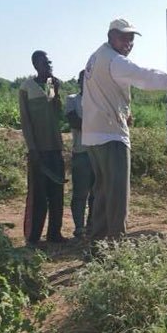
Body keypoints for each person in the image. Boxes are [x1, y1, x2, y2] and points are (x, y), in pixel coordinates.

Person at [82, 18, 167, 241]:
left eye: (131, 38)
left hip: (93, 136)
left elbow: (101, 93)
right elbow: (150, 76)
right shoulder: (116, 62)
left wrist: (122, 110)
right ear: (111, 37)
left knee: (103, 193)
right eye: (123, 37)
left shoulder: (96, 56)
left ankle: (97, 246)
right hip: (111, 136)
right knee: (117, 196)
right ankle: (115, 247)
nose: (128, 43)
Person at [19, 50, 66, 244]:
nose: (49, 65)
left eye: (49, 61)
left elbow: (57, 116)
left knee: (57, 194)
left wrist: (56, 93)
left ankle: (54, 233)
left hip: (55, 147)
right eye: (45, 62)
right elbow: (25, 121)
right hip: (38, 150)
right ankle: (34, 238)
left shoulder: (50, 86)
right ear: (35, 64)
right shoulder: (26, 87)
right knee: (39, 195)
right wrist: (32, 149)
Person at [63, 70, 94, 238]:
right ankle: (79, 228)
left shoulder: (99, 99)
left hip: (97, 154)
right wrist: (97, 124)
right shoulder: (72, 100)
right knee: (80, 194)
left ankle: (91, 226)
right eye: (84, 79)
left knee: (96, 193)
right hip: (81, 152)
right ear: (79, 81)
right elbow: (74, 122)